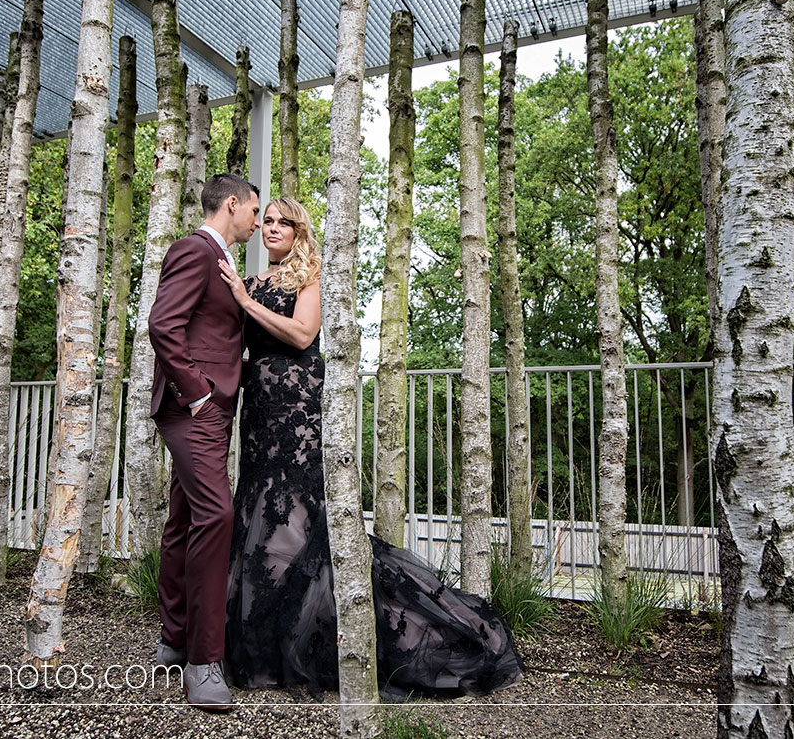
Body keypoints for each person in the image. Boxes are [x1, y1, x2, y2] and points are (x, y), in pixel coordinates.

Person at [219, 197, 523, 701]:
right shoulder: (249, 283)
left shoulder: (307, 280)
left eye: (282, 223)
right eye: (266, 220)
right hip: (257, 410)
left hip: (296, 408)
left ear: (299, 232)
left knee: (299, 513)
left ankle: (326, 630)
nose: (271, 228)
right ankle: (263, 638)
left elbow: (302, 333)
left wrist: (246, 304)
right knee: (256, 510)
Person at [148, 173, 261, 710]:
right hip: (197, 407)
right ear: (232, 204)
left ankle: (174, 637)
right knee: (217, 516)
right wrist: (198, 396)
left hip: (210, 406)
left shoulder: (222, 260)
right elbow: (163, 323)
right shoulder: (194, 250)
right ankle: (203, 662)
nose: (258, 222)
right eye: (255, 211)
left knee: (184, 518)